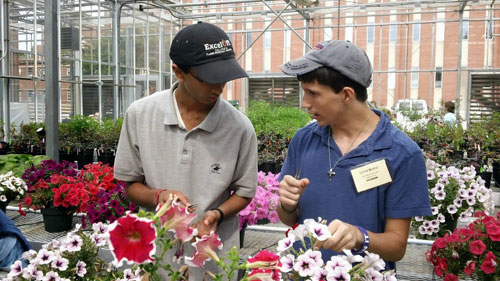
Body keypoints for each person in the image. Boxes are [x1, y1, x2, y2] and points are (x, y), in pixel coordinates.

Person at [114, 22, 257, 280]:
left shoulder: (239, 127)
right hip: (157, 254)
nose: (218, 87)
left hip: (213, 259)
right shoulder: (141, 114)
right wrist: (159, 195)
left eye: (224, 77)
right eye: (207, 79)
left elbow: (245, 192)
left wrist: (218, 213)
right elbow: (129, 183)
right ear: (178, 72)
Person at [277, 40, 431, 270]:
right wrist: (287, 205)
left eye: (313, 93)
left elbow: (397, 246)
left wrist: (360, 237)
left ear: (347, 95)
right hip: (305, 273)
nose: (305, 103)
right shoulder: (304, 140)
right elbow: (289, 218)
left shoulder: (401, 153)